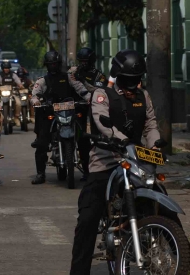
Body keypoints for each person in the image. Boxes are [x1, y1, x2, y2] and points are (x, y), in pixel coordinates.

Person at [70, 49, 161, 274]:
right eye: (130, 80)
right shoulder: (102, 95)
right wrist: (122, 140)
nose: (133, 85)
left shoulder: (144, 96)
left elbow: (151, 125)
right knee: (88, 218)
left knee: (161, 199)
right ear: (118, 76)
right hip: (106, 162)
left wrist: (155, 145)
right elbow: (103, 124)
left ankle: (176, 250)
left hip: (136, 160)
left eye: (137, 79)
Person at [30, 51, 91, 184]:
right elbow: (35, 94)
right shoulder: (42, 80)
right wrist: (36, 101)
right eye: (50, 64)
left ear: (59, 64)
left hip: (70, 113)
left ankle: (87, 172)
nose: (53, 66)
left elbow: (81, 89)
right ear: (46, 65)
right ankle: (40, 174)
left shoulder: (69, 77)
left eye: (55, 64)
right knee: (41, 143)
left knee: (84, 140)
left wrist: (89, 98)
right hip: (51, 114)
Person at [69, 47, 108, 182]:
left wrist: (84, 82)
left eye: (86, 61)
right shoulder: (73, 72)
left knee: (96, 139)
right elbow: (71, 85)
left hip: (93, 109)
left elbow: (100, 91)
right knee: (81, 140)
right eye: (81, 61)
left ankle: (95, 169)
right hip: (76, 108)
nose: (83, 64)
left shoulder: (99, 75)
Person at [0, 61, 24, 126]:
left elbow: (18, 82)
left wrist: (20, 85)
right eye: (5, 68)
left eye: (8, 68)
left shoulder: (13, 75)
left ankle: (16, 117)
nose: (6, 69)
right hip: (1, 94)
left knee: (19, 103)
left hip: (12, 93)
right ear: (2, 68)